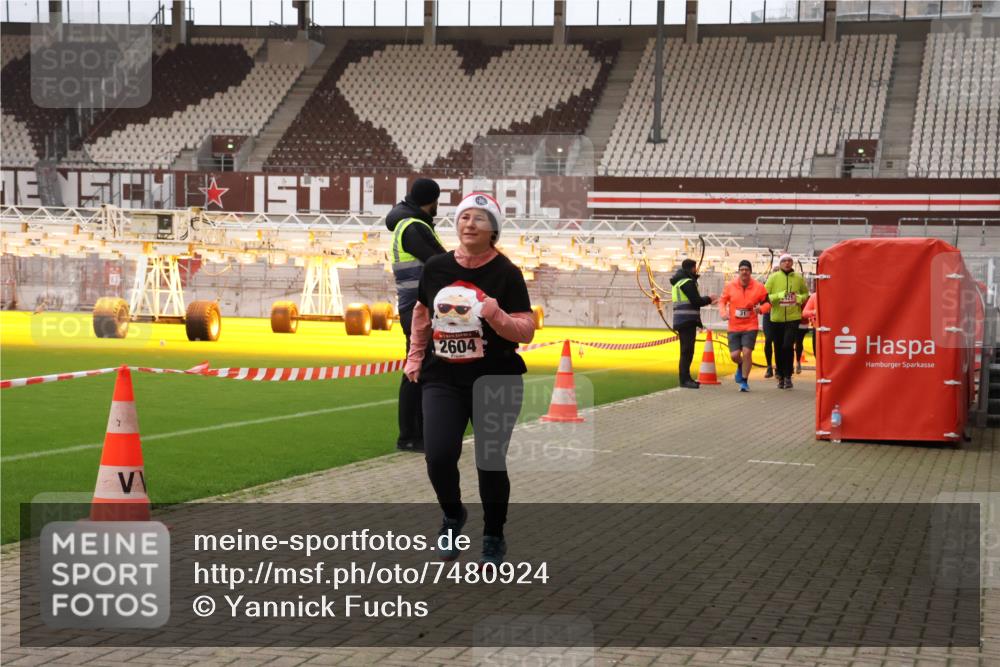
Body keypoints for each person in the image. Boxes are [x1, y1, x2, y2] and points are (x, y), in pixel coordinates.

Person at [404, 193, 535, 568]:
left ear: (493, 229)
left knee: (489, 462)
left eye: (479, 218)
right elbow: (422, 313)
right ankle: (452, 515)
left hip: (496, 379)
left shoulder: (507, 273)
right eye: (464, 217)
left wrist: (494, 313)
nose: (469, 223)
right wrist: (415, 355)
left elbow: (525, 329)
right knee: (439, 456)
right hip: (442, 377)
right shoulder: (437, 267)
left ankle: (493, 536)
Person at [387, 178, 446, 452]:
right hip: (417, 310)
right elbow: (438, 262)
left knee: (420, 368)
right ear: (432, 200)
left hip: (417, 308)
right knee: (416, 370)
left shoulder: (411, 225)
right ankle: (411, 436)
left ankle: (419, 434)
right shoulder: (413, 227)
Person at [719, 260, 770, 392]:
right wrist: (723, 313)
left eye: (746, 269)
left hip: (750, 325)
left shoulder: (759, 287)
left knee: (747, 352)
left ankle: (744, 381)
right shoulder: (730, 286)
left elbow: (768, 304)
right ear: (739, 271)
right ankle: (741, 364)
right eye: (742, 269)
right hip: (734, 326)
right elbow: (722, 301)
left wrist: (761, 309)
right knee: (735, 355)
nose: (744, 272)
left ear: (750, 272)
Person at [670, 258, 717, 389]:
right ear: (692, 268)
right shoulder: (687, 282)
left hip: (682, 319)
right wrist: (709, 299)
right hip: (687, 320)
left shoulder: (679, 282)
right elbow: (696, 301)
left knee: (686, 351)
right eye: (695, 268)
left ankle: (686, 378)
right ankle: (685, 380)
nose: (696, 270)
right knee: (687, 351)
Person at [765, 253, 809, 389]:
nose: (787, 263)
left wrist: (799, 298)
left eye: (789, 260)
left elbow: (806, 293)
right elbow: (765, 296)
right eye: (784, 261)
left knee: (787, 346)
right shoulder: (773, 278)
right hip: (776, 318)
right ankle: (780, 375)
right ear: (780, 263)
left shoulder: (798, 278)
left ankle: (788, 375)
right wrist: (779, 295)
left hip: (793, 317)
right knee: (778, 347)